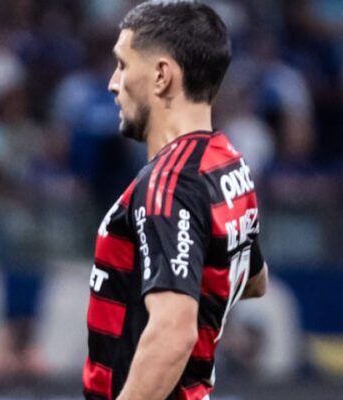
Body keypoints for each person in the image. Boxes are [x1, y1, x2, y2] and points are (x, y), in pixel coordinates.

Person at [83, 2, 269, 399]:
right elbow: (253, 280)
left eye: (122, 65)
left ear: (162, 75)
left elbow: (172, 334)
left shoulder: (168, 186)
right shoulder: (227, 164)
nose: (113, 83)